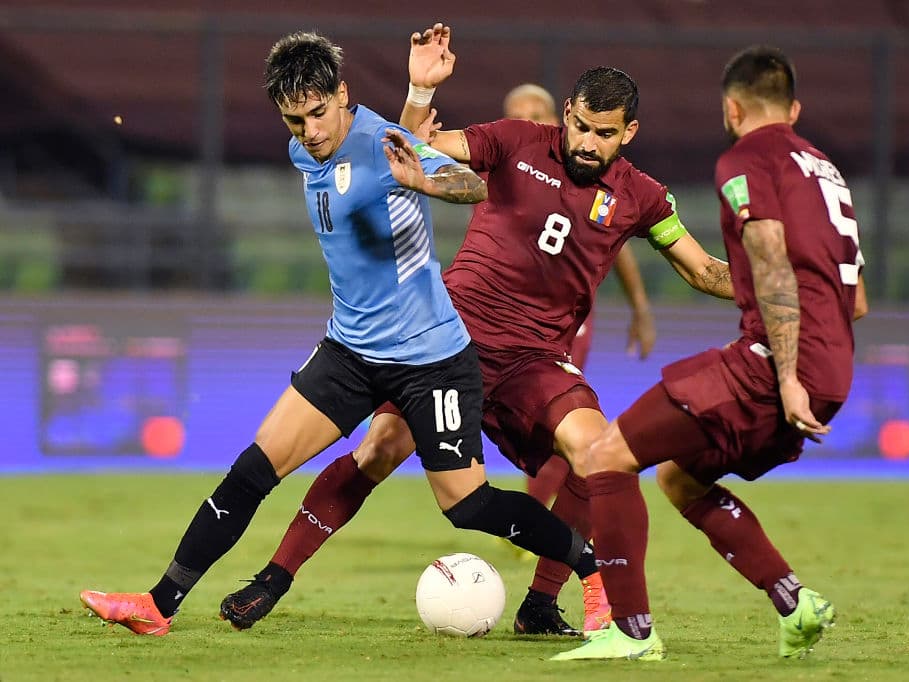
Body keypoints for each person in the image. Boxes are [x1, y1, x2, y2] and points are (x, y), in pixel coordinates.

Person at [78, 30, 607, 636]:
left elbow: (472, 185)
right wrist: (412, 99)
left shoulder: (383, 143)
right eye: (294, 118)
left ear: (344, 95)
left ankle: (589, 569)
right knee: (253, 469)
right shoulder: (305, 150)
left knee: (468, 506)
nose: (309, 131)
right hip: (350, 351)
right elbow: (349, 154)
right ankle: (159, 604)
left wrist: (428, 182)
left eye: (319, 113)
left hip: (432, 358)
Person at [216, 24, 732, 638]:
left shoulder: (644, 198)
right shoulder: (513, 139)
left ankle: (543, 604)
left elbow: (703, 270)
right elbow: (424, 146)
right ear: (567, 114)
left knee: (599, 454)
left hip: (537, 359)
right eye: (581, 126)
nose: (588, 143)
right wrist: (422, 97)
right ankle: (274, 577)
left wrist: (782, 282)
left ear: (629, 134)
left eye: (605, 134)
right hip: (447, 340)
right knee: (379, 450)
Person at [553, 45, 869, 662]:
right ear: (793, 108)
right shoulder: (826, 170)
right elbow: (852, 298)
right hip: (834, 369)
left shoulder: (746, 158)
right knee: (678, 477)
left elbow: (773, 265)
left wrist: (786, 375)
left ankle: (632, 631)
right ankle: (794, 601)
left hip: (777, 366)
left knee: (606, 456)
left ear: (731, 107)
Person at [500, 82, 656, 518]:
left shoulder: (590, 178)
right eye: (518, 116)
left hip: (559, 322)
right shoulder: (504, 160)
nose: (528, 123)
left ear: (559, 118)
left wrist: (640, 308)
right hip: (496, 319)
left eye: (536, 114)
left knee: (559, 417)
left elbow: (619, 243)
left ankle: (534, 515)